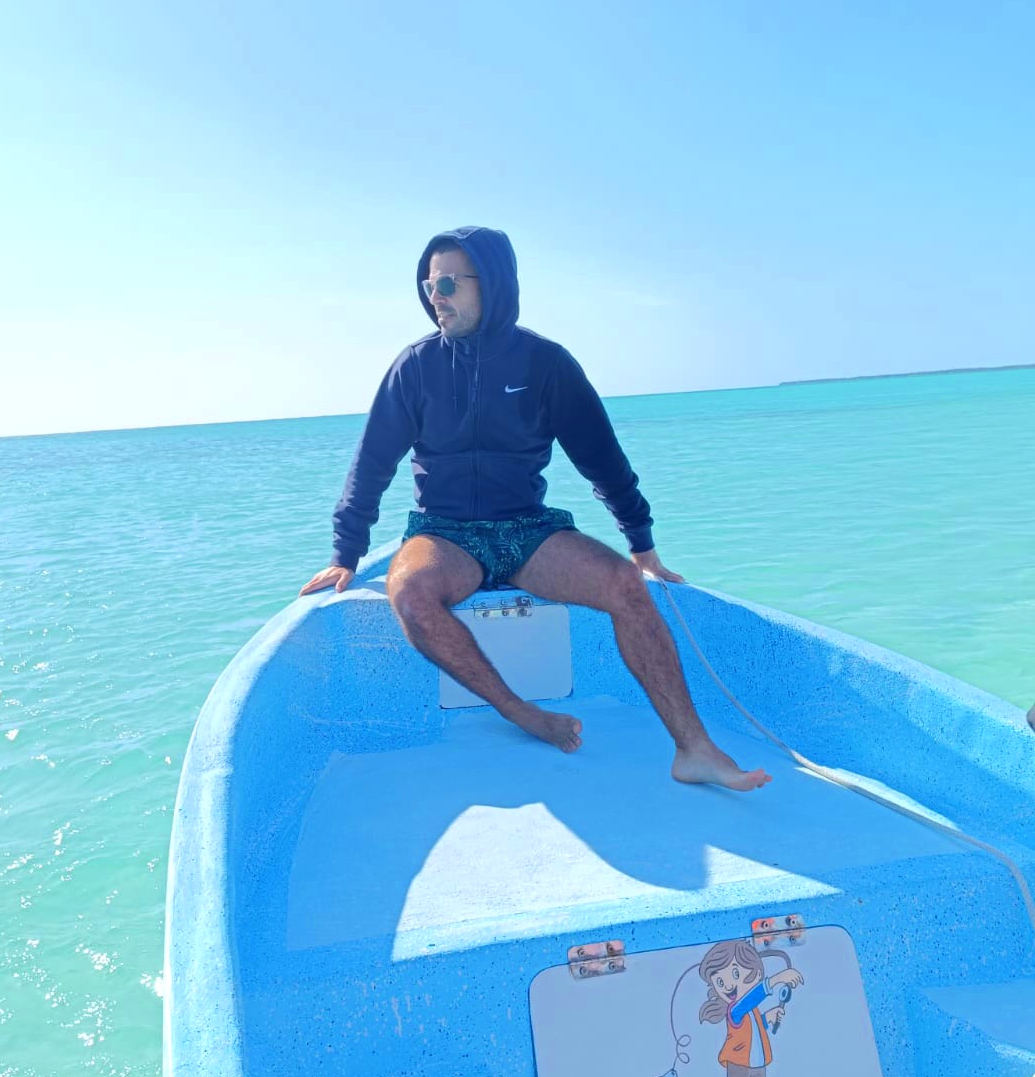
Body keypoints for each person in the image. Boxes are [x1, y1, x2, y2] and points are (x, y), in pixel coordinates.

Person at [300, 225, 770, 791]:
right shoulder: (416, 366)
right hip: (445, 532)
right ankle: (518, 710)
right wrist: (346, 553)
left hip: (528, 529)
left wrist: (641, 544)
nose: (435, 298)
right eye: (428, 286)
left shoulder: (545, 364)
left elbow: (602, 458)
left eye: (448, 283)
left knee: (625, 586)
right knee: (410, 591)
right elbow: (372, 464)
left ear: (491, 284)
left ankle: (694, 749)